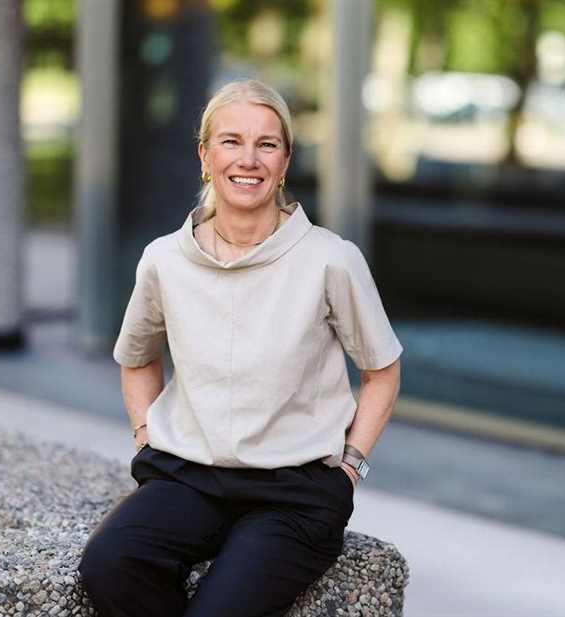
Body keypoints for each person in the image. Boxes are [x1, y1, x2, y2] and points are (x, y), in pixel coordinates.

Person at [77, 78, 403, 617]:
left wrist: (350, 468)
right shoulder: (164, 260)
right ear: (205, 156)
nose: (248, 159)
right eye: (231, 141)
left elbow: (382, 372)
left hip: (296, 492)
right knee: (109, 565)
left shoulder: (331, 259)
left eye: (266, 144)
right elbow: (137, 358)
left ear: (285, 161)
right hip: (188, 480)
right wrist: (145, 438)